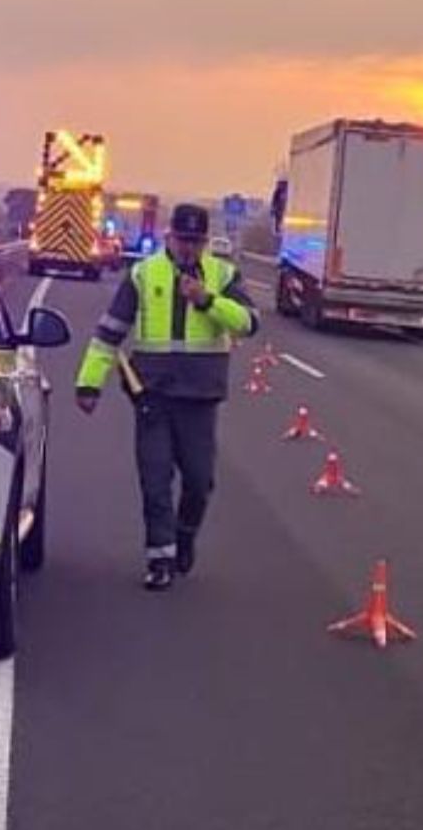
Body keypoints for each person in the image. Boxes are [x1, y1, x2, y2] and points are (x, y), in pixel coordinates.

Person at [75, 204, 259, 590]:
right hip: (152, 395)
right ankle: (160, 558)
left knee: (198, 480)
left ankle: (185, 534)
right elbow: (110, 331)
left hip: (199, 396)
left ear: (205, 242)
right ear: (169, 237)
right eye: (182, 240)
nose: (188, 248)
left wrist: (208, 301)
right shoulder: (143, 274)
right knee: (155, 478)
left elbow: (249, 323)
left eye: (196, 241)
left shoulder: (223, 275)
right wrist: (89, 384)